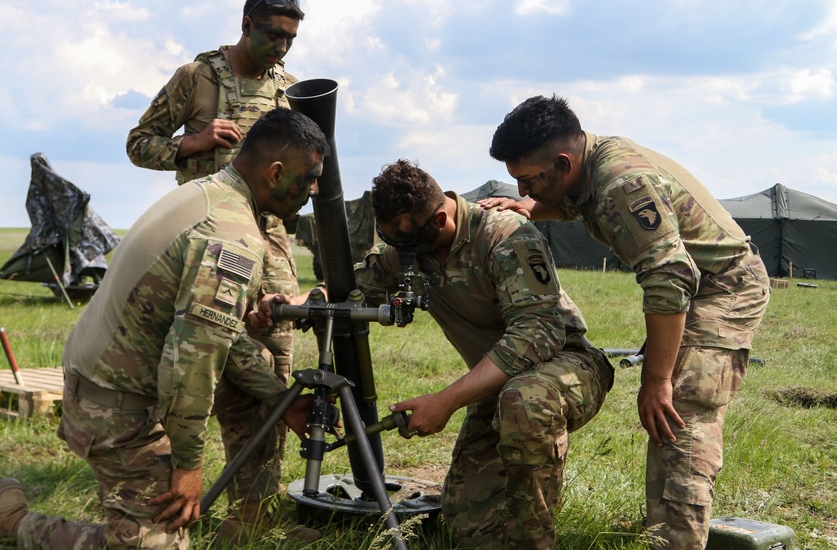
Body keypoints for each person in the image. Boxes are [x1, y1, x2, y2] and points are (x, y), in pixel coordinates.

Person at [0, 108, 330, 550]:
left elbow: (217, 336)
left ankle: (252, 522)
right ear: (276, 173)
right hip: (113, 406)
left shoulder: (212, 193)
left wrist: (284, 402)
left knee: (256, 374)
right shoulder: (230, 235)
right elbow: (195, 359)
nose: (314, 189)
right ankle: (11, 519)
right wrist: (187, 466)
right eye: (310, 178)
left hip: (127, 379)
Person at [260, 159, 614, 550]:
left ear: (440, 218)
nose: (401, 253)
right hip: (497, 385)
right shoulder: (408, 244)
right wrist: (298, 301)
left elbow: (538, 331)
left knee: (525, 403)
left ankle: (535, 541)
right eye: (392, 241)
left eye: (408, 242)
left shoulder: (505, 236)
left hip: (566, 366)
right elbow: (355, 288)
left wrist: (445, 401)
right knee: (467, 522)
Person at [487, 95, 770, 550]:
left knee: (680, 411)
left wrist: (656, 379)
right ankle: (664, 527)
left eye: (527, 181)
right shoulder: (589, 164)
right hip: (696, 284)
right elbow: (583, 205)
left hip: (724, 288)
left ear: (562, 161)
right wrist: (533, 211)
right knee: (668, 411)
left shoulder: (621, 179)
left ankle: (677, 539)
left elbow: (669, 278)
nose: (522, 192)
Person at [125, 0, 309, 537]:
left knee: (273, 366)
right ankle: (174, 486)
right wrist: (191, 143)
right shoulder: (196, 78)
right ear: (246, 22)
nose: (281, 47)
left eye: (291, 38)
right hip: (204, 237)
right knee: (199, 355)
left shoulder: (291, 90)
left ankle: (254, 509)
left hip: (270, 243)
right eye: (272, 33)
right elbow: (139, 143)